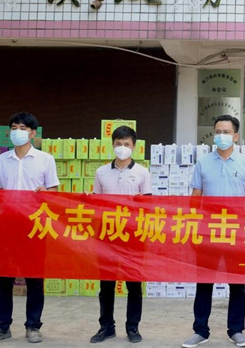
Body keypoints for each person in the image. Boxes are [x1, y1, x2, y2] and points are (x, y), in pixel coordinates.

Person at [0, 112, 59, 345]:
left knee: (34, 278)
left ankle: (33, 326)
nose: (18, 132)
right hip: (7, 225)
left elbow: (54, 191)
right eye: (14, 128)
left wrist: (46, 192)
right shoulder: (2, 160)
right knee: (4, 278)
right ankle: (1, 326)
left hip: (35, 226)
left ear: (33, 133)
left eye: (23, 128)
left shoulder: (45, 159)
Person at [182, 115, 245, 348]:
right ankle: (200, 330)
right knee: (204, 282)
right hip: (208, 231)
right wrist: (193, 226)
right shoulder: (203, 163)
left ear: (236, 136)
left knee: (237, 283)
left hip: (236, 231)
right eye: (217, 132)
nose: (221, 136)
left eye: (226, 132)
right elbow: (196, 197)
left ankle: (236, 330)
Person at [89, 126, 151, 344]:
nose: (122, 148)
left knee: (133, 284)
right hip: (108, 234)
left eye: (126, 144)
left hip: (133, 235)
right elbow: (96, 203)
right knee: (106, 284)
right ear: (112, 144)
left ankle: (133, 327)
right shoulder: (101, 172)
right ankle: (106, 327)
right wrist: (88, 199)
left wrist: (143, 202)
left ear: (134, 146)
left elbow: (149, 205)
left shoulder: (142, 172)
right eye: (118, 143)